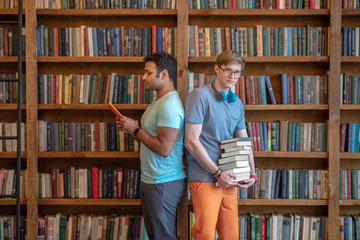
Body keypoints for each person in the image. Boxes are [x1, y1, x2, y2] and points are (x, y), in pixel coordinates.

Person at [184, 50, 257, 240]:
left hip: (229, 178)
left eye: (238, 72)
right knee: (205, 234)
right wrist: (217, 173)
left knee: (231, 235)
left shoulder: (237, 104)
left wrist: (251, 173)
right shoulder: (199, 96)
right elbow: (191, 140)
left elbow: (244, 141)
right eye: (228, 71)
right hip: (205, 176)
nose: (233, 76)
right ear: (217, 69)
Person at [116, 52, 186, 240]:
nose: (143, 77)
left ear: (163, 74)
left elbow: (164, 149)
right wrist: (131, 129)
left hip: (163, 181)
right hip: (153, 179)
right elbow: (150, 140)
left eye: (148, 73)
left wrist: (136, 129)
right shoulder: (159, 102)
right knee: (156, 235)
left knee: (162, 236)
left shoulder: (169, 106)